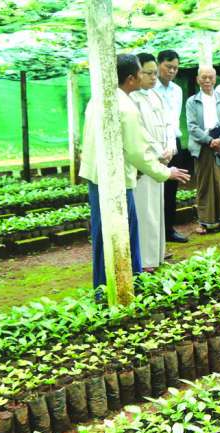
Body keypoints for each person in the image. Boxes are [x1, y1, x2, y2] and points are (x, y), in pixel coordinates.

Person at [80, 54, 189, 290]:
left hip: (98, 177)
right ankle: (128, 287)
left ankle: (105, 288)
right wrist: (165, 172)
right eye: (142, 72)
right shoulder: (126, 107)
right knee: (125, 236)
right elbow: (137, 152)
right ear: (131, 78)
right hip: (116, 181)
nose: (146, 76)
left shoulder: (99, 99)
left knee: (104, 235)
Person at [130, 53, 173, 272]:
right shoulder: (131, 98)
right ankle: (145, 260)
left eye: (155, 73)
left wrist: (170, 147)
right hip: (145, 161)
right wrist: (158, 152)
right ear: (137, 74)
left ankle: (157, 254)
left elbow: (168, 123)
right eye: (148, 73)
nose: (153, 77)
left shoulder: (156, 95)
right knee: (145, 211)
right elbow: (139, 132)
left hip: (161, 159)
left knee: (157, 209)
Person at [186, 66, 220, 234]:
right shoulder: (192, 101)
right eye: (203, 77)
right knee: (205, 184)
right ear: (198, 80)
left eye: (210, 77)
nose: (207, 80)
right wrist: (209, 140)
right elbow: (192, 127)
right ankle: (204, 221)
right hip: (203, 146)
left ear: (215, 79)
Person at [154, 49, 190, 244]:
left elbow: (174, 118)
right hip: (156, 142)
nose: (172, 71)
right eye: (168, 67)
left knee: (171, 188)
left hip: (173, 141)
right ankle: (155, 232)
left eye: (175, 68)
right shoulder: (149, 89)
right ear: (158, 64)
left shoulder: (177, 90)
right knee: (154, 187)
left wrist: (172, 143)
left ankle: (168, 229)